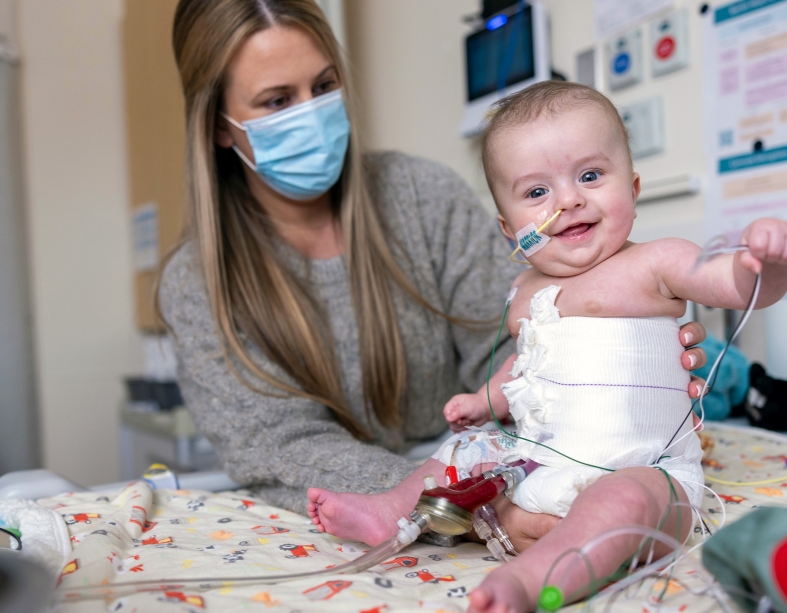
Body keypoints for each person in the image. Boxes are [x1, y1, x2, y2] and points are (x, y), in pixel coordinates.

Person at [159, 0, 708, 552]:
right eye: (278, 101)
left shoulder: (424, 197)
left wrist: (613, 349)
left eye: (324, 86)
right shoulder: (196, 284)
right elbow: (283, 446)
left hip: (505, 459)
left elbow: (510, 350)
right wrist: (465, 504)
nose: (312, 113)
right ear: (219, 127)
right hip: (460, 483)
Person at [307, 82, 787, 613]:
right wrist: (484, 401)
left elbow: (735, 284)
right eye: (536, 192)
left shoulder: (657, 262)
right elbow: (527, 369)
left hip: (641, 467)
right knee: (456, 453)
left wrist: (766, 263)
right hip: (534, 462)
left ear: (633, 188)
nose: (568, 200)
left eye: (590, 176)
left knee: (627, 501)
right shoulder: (524, 291)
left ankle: (534, 579)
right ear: (510, 231)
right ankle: (393, 511)